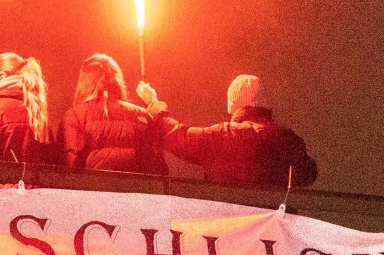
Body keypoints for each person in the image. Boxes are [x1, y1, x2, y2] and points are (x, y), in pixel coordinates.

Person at [135, 73, 317, 189]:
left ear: (233, 106)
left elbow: (177, 136)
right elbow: (309, 174)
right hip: (275, 237)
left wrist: (154, 104)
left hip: (228, 230)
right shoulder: (288, 140)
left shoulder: (224, 135)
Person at [59, 53, 167, 175]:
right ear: (117, 81)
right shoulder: (142, 116)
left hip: (92, 192)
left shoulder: (74, 115)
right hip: (136, 192)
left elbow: (69, 166)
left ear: (84, 82)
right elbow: (157, 167)